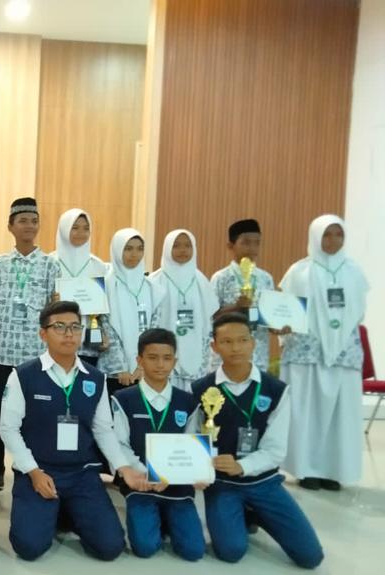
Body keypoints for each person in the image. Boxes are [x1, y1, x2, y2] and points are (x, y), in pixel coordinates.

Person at [0, 300, 135, 562]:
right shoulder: (23, 375)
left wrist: (122, 466)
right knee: (28, 547)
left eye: (75, 326)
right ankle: (58, 511)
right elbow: (8, 429)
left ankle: (67, 510)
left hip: (82, 473)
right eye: (59, 327)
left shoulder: (95, 378)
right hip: (39, 471)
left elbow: (103, 429)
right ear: (43, 333)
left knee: (110, 547)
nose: (69, 334)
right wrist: (33, 472)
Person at [190, 313, 324, 568]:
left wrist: (242, 466)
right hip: (223, 484)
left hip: (264, 483)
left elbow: (275, 450)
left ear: (253, 343)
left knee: (311, 557)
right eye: (227, 341)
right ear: (214, 346)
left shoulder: (276, 390)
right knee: (230, 551)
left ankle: (259, 512)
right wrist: (200, 466)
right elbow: (192, 438)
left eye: (242, 340)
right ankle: (246, 514)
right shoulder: (200, 389)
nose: (236, 348)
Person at [280, 215, 368, 490]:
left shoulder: (354, 271)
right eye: (326, 235)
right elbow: (287, 311)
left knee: (341, 413)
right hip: (307, 353)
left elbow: (359, 310)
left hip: (343, 353)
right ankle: (306, 469)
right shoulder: (300, 271)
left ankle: (334, 470)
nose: (332, 240)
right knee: (307, 412)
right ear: (315, 237)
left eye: (338, 234)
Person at [0, 197, 60, 490]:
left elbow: (54, 308)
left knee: (34, 415)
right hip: (1, 351)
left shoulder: (50, 265)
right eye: (23, 220)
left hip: (34, 353)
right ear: (10, 226)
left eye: (34, 221)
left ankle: (30, 470)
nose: (29, 226)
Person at [111, 328, 204, 561]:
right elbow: (120, 444)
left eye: (166, 358)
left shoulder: (188, 402)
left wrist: (170, 475)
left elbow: (190, 446)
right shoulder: (123, 399)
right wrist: (144, 472)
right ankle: (156, 521)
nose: (160, 365)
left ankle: (167, 519)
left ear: (175, 361)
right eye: (152, 358)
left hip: (177, 486)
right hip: (140, 484)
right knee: (145, 548)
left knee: (193, 551)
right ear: (139, 360)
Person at [99, 229, 166, 397]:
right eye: (128, 249)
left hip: (145, 372)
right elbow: (106, 329)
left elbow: (154, 330)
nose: (134, 254)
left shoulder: (153, 288)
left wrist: (142, 365)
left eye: (139, 249)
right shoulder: (104, 286)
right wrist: (120, 367)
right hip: (114, 374)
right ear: (117, 250)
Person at [150, 230, 218, 392]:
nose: (183, 250)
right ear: (167, 248)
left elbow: (209, 318)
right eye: (176, 246)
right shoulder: (155, 281)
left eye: (187, 246)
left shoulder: (201, 280)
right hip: (163, 353)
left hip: (196, 351)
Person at [210, 219, 276, 372]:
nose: (252, 248)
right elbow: (210, 315)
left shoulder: (265, 278)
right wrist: (237, 307)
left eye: (257, 243)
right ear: (230, 246)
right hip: (226, 357)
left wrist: (278, 325)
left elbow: (270, 316)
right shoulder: (221, 278)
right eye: (246, 242)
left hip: (258, 355)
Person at [50, 209, 110, 366]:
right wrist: (51, 302)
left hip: (88, 345)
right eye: (75, 228)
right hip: (56, 342)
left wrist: (104, 335)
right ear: (64, 229)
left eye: (86, 228)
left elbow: (103, 312)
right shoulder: (50, 262)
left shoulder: (98, 265)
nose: (81, 233)